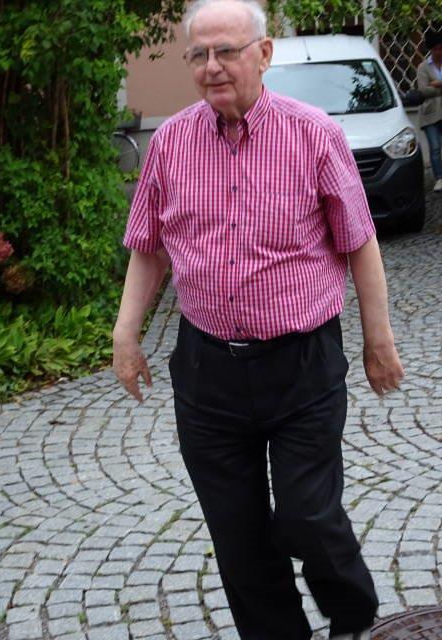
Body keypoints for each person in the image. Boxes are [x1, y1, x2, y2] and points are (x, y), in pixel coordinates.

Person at [112, 1, 404, 638]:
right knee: (238, 535)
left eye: (227, 51)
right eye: (199, 55)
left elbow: (359, 242)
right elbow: (148, 247)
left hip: (302, 364)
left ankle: (352, 612)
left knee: (307, 515)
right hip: (207, 369)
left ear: (264, 54)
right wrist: (125, 332)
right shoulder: (170, 143)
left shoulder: (314, 135)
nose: (212, 67)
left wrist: (377, 341)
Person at [417, 28, 442, 192]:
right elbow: (423, 90)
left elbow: (430, 88)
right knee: (435, 147)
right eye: (436, 49)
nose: (439, 52)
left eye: (441, 48)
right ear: (431, 50)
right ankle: (439, 178)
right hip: (430, 114)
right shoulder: (423, 67)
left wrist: (437, 84)